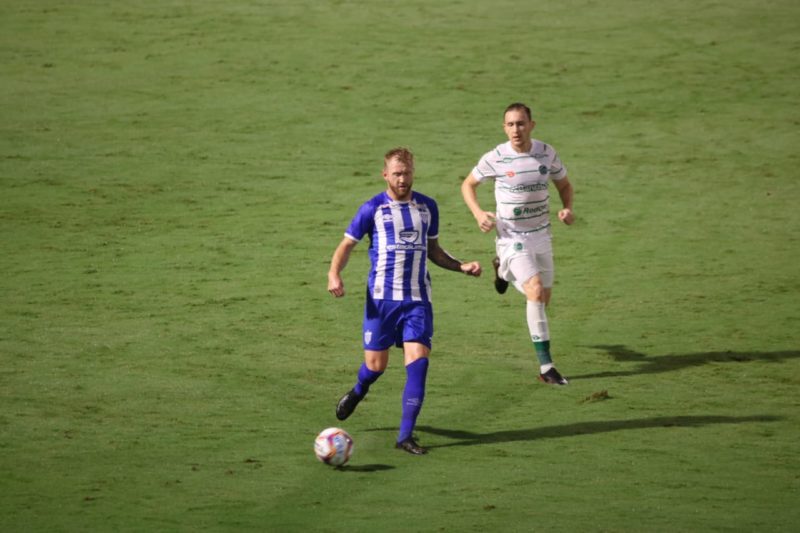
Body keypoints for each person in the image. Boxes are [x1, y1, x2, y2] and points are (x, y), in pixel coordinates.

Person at [328, 147, 482, 455]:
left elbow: (434, 251)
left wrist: (461, 265)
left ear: (413, 172)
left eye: (407, 173)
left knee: (419, 363)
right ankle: (359, 390)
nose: (402, 179)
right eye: (396, 173)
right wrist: (334, 273)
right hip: (381, 300)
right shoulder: (372, 208)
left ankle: (405, 436)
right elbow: (346, 245)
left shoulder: (428, 207)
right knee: (376, 366)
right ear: (385, 174)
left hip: (417, 300)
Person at [461, 102, 575, 385]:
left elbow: (564, 185)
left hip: (542, 235)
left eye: (521, 123)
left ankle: (502, 272)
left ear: (532, 125)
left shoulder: (546, 153)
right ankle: (547, 367)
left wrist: (567, 208)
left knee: (541, 300)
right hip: (511, 237)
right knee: (534, 290)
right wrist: (478, 214)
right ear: (504, 127)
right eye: (510, 124)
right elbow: (468, 185)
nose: (516, 130)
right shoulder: (496, 157)